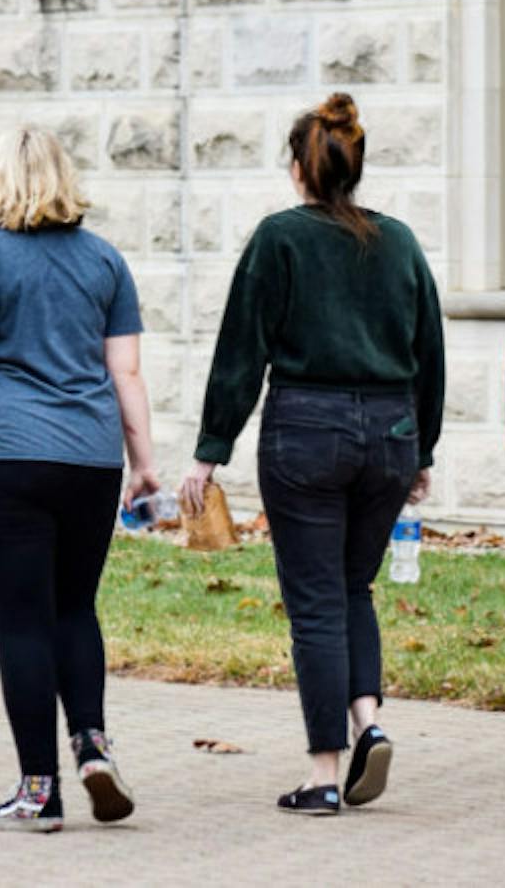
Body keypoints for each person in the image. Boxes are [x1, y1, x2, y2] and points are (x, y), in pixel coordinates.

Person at [182, 93, 445, 816]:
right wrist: (422, 446)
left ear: (301, 167)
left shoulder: (280, 239)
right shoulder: (401, 243)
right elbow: (430, 352)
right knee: (352, 587)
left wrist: (210, 452)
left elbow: (242, 349)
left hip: (306, 431)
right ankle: (369, 723)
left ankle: (324, 771)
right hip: (390, 436)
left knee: (316, 605)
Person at [0, 126, 161, 833]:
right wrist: (144, 465)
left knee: (23, 622)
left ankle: (37, 792)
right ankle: (91, 743)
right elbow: (128, 373)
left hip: (11, 460)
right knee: (75, 609)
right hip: (91, 460)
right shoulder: (106, 261)